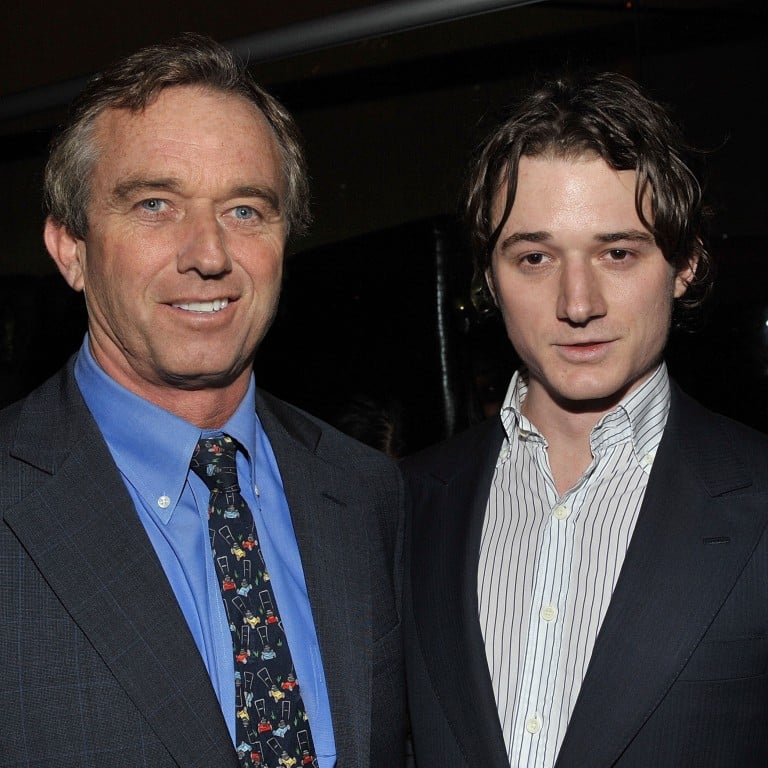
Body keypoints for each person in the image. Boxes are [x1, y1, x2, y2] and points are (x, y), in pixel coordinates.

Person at [0, 34, 405, 768]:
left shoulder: (366, 493)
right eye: (155, 204)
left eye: (246, 210)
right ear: (70, 249)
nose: (210, 254)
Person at [403, 70, 768, 767]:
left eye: (618, 253)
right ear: (489, 275)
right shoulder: (402, 505)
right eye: (535, 257)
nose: (578, 303)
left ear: (685, 262)